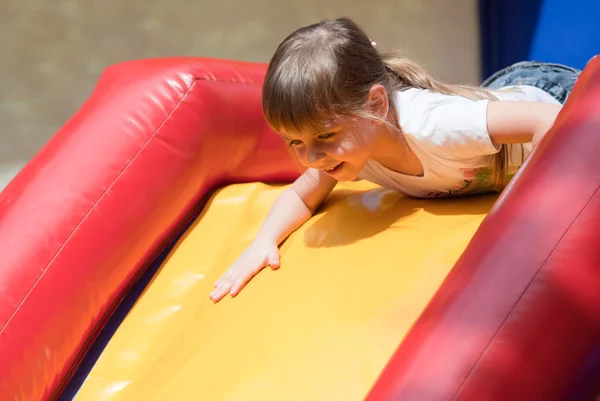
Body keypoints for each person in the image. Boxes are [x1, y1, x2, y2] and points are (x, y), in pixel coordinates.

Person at [209, 17, 581, 302]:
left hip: (557, 96)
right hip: (495, 103)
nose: (312, 156)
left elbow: (545, 121)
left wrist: (526, 208)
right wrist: (263, 242)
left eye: (324, 136)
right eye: (295, 142)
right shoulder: (350, 147)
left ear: (375, 104)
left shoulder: (431, 126)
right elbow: (301, 193)